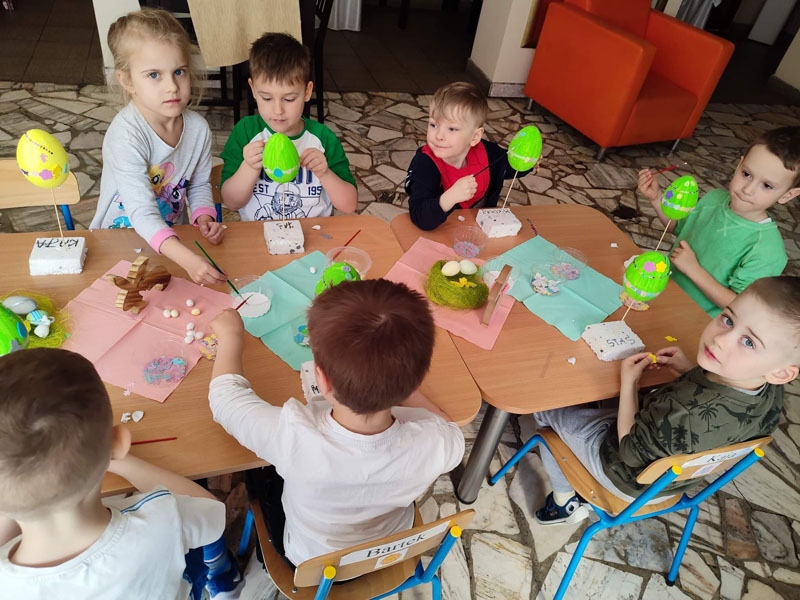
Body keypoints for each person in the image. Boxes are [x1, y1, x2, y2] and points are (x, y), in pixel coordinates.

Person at [207, 279, 465, 566]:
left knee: (257, 477)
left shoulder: (292, 434)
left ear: (322, 380)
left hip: (312, 560)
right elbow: (448, 428)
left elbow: (225, 400)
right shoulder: (436, 440)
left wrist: (231, 337)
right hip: (387, 550)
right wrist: (399, 379)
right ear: (415, 382)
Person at [532, 276, 796, 525]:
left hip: (625, 476)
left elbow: (628, 450)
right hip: (674, 483)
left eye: (749, 342)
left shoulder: (684, 411)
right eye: (728, 319)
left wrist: (629, 384)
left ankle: (563, 503)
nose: (720, 340)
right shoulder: (770, 392)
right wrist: (688, 370)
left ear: (782, 373)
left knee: (547, 407)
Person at [0, 348, 242, 599]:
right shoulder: (162, 519)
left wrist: (15, 490)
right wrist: (113, 457)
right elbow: (211, 510)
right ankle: (224, 580)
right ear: (118, 442)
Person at [90, 8, 226, 286]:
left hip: (169, 242)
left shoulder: (198, 129)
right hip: (117, 241)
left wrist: (203, 215)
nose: (172, 86)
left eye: (179, 72)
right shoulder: (126, 135)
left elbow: (199, 184)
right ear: (127, 81)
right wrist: (188, 259)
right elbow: (142, 213)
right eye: (154, 75)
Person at [638, 126, 800, 317]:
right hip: (662, 296)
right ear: (739, 165)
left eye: (766, 185)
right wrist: (656, 198)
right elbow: (679, 227)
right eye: (746, 174)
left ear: (787, 195)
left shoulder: (767, 249)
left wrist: (693, 270)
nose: (748, 189)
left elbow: (741, 305)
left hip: (694, 322)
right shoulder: (714, 198)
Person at [220, 32, 357, 221]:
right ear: (253, 90)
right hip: (259, 233)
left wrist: (325, 173)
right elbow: (231, 202)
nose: (278, 110)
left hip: (313, 233)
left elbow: (349, 205)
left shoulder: (322, 138)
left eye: (289, 99)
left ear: (307, 92)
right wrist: (249, 167)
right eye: (267, 98)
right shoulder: (246, 132)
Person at [406, 81, 533, 230]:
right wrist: (450, 197)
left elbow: (510, 167)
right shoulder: (425, 163)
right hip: (441, 232)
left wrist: (528, 163)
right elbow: (420, 216)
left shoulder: (489, 152)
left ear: (474, 137)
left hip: (477, 231)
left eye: (452, 129)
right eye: (434, 125)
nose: (439, 135)